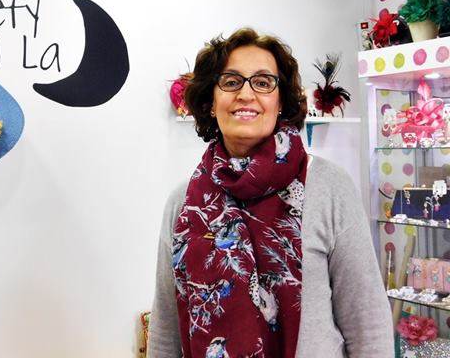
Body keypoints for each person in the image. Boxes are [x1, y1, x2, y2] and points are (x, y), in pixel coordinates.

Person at [148, 28, 393, 358]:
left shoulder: (328, 186)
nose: (246, 94)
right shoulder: (184, 203)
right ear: (210, 103)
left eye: (263, 83)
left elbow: (368, 326)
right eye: (231, 82)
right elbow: (165, 332)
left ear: (280, 103)